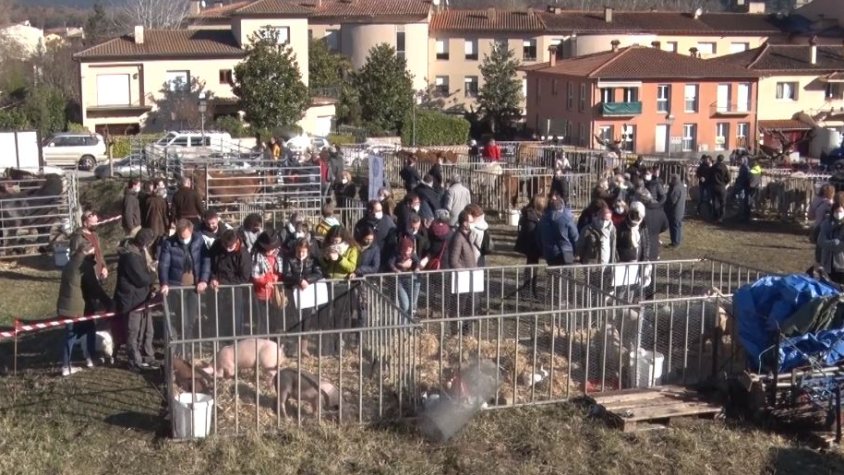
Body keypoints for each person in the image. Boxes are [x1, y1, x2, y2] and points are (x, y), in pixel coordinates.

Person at [159, 219, 211, 343]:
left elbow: (205, 261)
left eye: (185, 237)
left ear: (191, 232)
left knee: (191, 319)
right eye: (180, 237)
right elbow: (164, 265)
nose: (183, 239)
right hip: (177, 287)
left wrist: (203, 280)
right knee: (183, 320)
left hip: (194, 287)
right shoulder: (169, 243)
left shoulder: (199, 241)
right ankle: (181, 345)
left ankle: (187, 347)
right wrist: (164, 283)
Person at [113, 228, 156, 371]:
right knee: (133, 331)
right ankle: (134, 361)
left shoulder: (139, 253)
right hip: (132, 300)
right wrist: (153, 276)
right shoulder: (130, 256)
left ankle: (147, 356)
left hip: (142, 298)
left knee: (146, 330)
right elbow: (141, 278)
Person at [58, 240, 98, 376]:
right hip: (78, 307)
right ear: (86, 252)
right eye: (92, 254)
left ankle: (66, 364)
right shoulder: (84, 266)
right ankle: (90, 358)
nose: (94, 257)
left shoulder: (70, 263)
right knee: (87, 329)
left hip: (65, 305)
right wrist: (108, 302)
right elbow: (94, 287)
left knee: (71, 334)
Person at [209, 229, 252, 336]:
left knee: (235, 316)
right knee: (218, 314)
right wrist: (213, 278)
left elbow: (244, 277)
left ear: (236, 242)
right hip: (217, 286)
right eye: (225, 246)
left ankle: (235, 339)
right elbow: (210, 264)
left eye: (230, 247)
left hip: (234, 288)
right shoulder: (217, 246)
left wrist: (224, 283)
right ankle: (219, 338)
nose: (227, 249)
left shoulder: (243, 254)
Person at [284, 238, 324, 350]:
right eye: (299, 251)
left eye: (303, 252)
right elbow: (286, 274)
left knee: (307, 319)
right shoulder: (289, 259)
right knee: (294, 319)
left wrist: (308, 280)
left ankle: (303, 347)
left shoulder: (313, 259)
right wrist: (298, 280)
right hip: (293, 292)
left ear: (308, 251)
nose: (301, 254)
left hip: (307, 294)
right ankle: (292, 346)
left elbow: (319, 273)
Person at [251, 232, 285, 334]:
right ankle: (263, 339)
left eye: (272, 248)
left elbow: (280, 271)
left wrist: (277, 277)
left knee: (275, 318)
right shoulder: (257, 256)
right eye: (268, 248)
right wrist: (266, 281)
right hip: (262, 293)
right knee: (263, 319)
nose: (270, 250)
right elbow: (255, 276)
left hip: (274, 292)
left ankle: (274, 340)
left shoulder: (278, 254)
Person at [515, 195, 546, 298]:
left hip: (533, 247)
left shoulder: (534, 215)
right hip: (531, 247)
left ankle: (531, 289)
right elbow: (531, 234)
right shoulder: (531, 217)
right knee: (531, 268)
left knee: (533, 268)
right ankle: (528, 289)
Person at [354, 199, 397, 269]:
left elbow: (393, 237)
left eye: (381, 210)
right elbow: (357, 241)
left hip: (385, 258)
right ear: (370, 211)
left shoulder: (387, 220)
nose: (380, 213)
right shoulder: (361, 224)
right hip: (368, 261)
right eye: (378, 211)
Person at [539, 193, 579, 266]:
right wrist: (577, 251)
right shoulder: (566, 220)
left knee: (553, 275)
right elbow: (575, 236)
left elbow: (539, 236)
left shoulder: (543, 220)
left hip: (550, 252)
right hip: (566, 252)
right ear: (562, 206)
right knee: (567, 275)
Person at [388, 234, 421, 320]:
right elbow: (390, 263)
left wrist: (417, 268)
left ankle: (408, 326)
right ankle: (402, 326)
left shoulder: (412, 254)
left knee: (412, 305)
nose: (408, 253)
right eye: (406, 250)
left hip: (410, 280)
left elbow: (417, 261)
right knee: (405, 305)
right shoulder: (396, 254)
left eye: (410, 250)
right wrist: (398, 268)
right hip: (399, 281)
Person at [70, 210, 108, 282]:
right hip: (86, 274)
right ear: (85, 223)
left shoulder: (95, 235)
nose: (95, 225)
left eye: (96, 222)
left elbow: (99, 254)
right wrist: (84, 253)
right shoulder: (78, 237)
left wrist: (104, 267)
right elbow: (72, 257)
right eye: (93, 223)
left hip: (99, 274)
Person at [637, 189, 669, 261]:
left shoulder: (641, 212)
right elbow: (665, 225)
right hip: (654, 243)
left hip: (642, 244)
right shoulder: (660, 211)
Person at [818, 203, 844, 284]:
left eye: (840, 211)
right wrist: (835, 242)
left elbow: (840, 246)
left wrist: (830, 243)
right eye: (836, 211)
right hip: (827, 264)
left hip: (842, 265)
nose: (838, 214)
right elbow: (821, 241)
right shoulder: (826, 224)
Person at [810, 184, 836, 261]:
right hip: (826, 228)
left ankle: (819, 262)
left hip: (816, 225)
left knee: (818, 248)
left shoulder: (816, 199)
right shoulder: (830, 203)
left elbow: (810, 215)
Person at [143, 184, 169, 252]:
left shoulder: (148, 200)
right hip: (160, 225)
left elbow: (145, 212)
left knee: (151, 241)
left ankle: (151, 255)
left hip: (150, 223)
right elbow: (165, 214)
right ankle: (157, 257)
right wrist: (167, 225)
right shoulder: (162, 201)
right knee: (159, 242)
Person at [665, 174, 687, 247]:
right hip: (680, 210)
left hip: (675, 211)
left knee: (674, 226)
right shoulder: (682, 187)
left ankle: (675, 242)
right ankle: (677, 241)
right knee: (678, 226)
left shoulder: (676, 188)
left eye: (671, 179)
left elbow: (672, 200)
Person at [710, 155, 731, 223]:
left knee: (715, 202)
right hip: (721, 186)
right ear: (723, 160)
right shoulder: (725, 167)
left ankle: (715, 216)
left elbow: (709, 174)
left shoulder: (713, 167)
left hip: (714, 186)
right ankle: (721, 217)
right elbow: (729, 178)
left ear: (717, 159)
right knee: (722, 203)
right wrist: (725, 183)